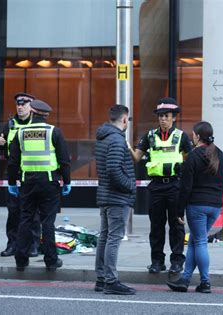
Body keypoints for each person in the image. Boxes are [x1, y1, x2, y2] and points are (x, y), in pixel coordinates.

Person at [129, 97, 192, 274]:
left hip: (174, 186)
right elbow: (136, 157)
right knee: (156, 226)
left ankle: (177, 261)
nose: (163, 119)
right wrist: (126, 145)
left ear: (173, 118)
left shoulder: (181, 137)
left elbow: (189, 161)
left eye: (166, 116)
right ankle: (157, 261)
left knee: (176, 226)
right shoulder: (149, 136)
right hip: (156, 186)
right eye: (160, 116)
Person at [7, 99, 71, 271]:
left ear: (32, 113)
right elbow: (64, 160)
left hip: (27, 183)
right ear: (46, 115)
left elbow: (13, 161)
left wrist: (12, 182)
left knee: (25, 219)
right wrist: (67, 182)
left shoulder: (21, 133)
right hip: (49, 183)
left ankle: (21, 260)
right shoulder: (54, 132)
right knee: (47, 222)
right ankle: (51, 261)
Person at [166, 121, 223, 294]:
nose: (192, 137)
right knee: (194, 240)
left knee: (200, 241)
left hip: (197, 205)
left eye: (193, 134)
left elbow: (186, 187)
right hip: (215, 206)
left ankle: (205, 281)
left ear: (198, 136)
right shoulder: (221, 155)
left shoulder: (193, 156)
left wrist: (179, 211)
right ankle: (185, 280)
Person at [94, 104, 136, 295]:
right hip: (117, 197)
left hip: (106, 195)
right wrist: (129, 185)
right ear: (124, 119)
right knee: (113, 238)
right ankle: (110, 280)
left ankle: (101, 279)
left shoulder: (104, 138)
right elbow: (113, 170)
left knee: (105, 237)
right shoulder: (117, 140)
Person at [0, 93, 41, 258]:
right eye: (18, 104)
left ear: (31, 106)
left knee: (33, 212)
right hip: (14, 173)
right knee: (13, 211)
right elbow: (3, 145)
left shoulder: (37, 124)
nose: (20, 107)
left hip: (32, 172)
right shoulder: (10, 125)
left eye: (24, 104)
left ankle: (33, 245)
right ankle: (12, 245)